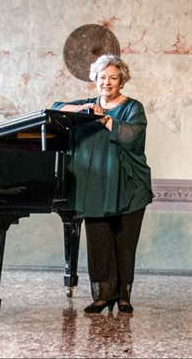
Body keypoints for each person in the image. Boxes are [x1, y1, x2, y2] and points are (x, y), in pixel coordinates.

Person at [52, 54, 152, 314]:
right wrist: (83, 110)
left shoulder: (133, 108)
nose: (107, 82)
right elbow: (56, 107)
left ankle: (123, 297)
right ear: (95, 80)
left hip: (129, 187)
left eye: (113, 78)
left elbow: (132, 136)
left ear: (122, 81)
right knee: (98, 242)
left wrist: (106, 120)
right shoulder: (87, 105)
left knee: (124, 243)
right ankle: (102, 295)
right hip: (94, 187)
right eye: (102, 77)